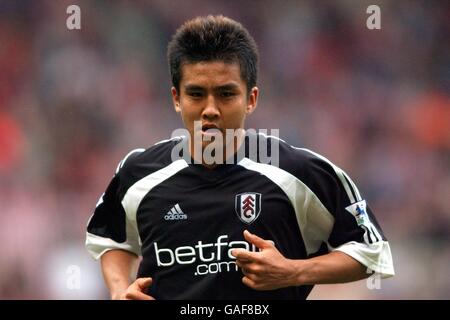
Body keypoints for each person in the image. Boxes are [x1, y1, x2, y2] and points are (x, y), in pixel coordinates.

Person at [85, 15, 394, 300]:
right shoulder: (138, 172)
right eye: (195, 94)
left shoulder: (301, 172)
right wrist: (118, 290)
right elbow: (112, 239)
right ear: (176, 99)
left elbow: (370, 251)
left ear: (251, 99)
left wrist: (293, 271)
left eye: (226, 94)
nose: (210, 109)